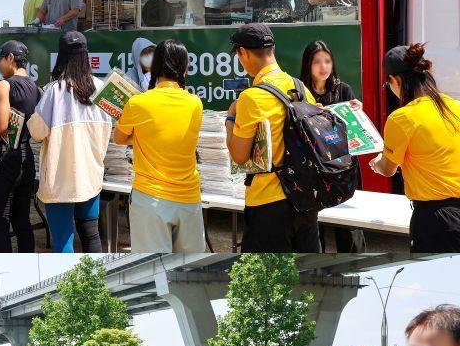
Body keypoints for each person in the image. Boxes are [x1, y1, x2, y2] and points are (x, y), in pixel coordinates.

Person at [370, 44, 460, 253]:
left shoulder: (402, 118)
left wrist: (377, 162)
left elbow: (388, 169)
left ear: (395, 81)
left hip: (436, 222)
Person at [226, 23, 320, 253]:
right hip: (305, 200)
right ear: (272, 49)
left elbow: (238, 156)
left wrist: (230, 118)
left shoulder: (251, 98)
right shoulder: (300, 87)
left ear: (243, 53)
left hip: (268, 203)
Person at [116, 39, 205, 254]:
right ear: (184, 68)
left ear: (155, 66)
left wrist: (139, 137)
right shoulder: (195, 103)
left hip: (149, 198)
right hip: (189, 198)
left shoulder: (138, 103)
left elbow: (119, 138)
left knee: (155, 266)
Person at [28, 31, 111, 253]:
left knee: (63, 238)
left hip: (60, 180)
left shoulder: (55, 90)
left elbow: (36, 131)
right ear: (86, 56)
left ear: (61, 57)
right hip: (91, 175)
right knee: (91, 234)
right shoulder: (101, 88)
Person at [300, 39, 366, 254]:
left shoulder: (343, 90)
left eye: (327, 61)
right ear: (307, 65)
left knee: (348, 227)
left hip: (343, 168)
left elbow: (356, 134)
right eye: (317, 62)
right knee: (313, 228)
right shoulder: (300, 93)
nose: (323, 67)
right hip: (314, 170)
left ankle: (354, 269)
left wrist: (357, 114)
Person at [0, 41, 40, 253]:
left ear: (10, 58)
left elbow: (0, 126)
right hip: (27, 159)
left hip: (4, 159)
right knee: (22, 219)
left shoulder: (4, 85)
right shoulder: (37, 87)